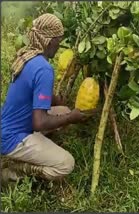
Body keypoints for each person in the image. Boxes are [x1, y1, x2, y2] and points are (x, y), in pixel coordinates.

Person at [1, 13, 95, 188]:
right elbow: (39, 122)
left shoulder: (27, 56)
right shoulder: (44, 69)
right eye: (58, 40)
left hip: (8, 126)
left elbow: (34, 90)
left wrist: (57, 101)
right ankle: (13, 171)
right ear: (50, 41)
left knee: (63, 110)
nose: (59, 45)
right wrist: (71, 118)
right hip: (13, 138)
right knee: (66, 164)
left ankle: (38, 151)